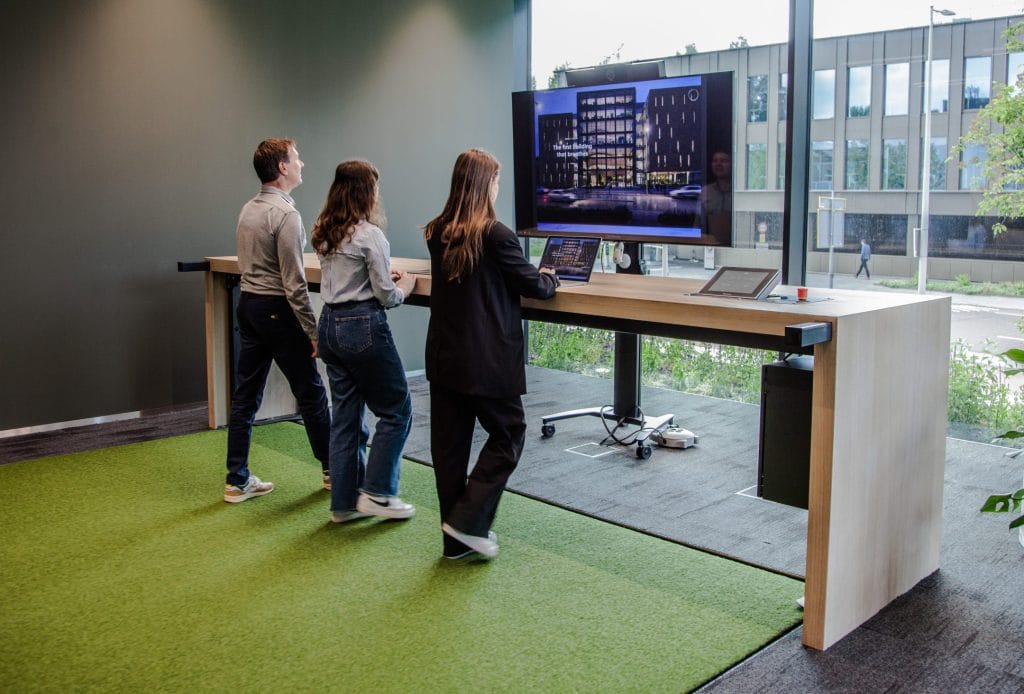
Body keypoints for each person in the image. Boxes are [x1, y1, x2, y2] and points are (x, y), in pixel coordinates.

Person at [423, 148, 559, 559]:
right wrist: (549, 278)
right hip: (485, 361)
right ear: (486, 185)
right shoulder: (496, 234)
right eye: (497, 180)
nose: (499, 187)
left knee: (449, 451)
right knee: (509, 434)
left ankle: (455, 542)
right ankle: (468, 521)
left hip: (445, 357)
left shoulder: (437, 231)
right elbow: (533, 286)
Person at [224, 139, 331, 503]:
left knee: (246, 397)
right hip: (276, 311)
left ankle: (237, 480)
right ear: (283, 167)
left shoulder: (249, 209)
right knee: (311, 392)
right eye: (297, 158)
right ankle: (335, 471)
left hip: (249, 305)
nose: (302, 163)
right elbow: (294, 284)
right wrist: (313, 331)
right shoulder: (286, 215)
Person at [312, 160, 417, 523]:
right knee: (397, 410)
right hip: (361, 326)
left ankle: (343, 505)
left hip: (329, 324)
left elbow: (348, 275)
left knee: (345, 418)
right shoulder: (370, 235)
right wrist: (405, 286)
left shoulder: (324, 231)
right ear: (367, 192)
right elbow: (386, 296)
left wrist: (381, 275)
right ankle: (378, 493)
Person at [700, 150, 732, 245]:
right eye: (715, 161)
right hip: (710, 247)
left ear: (732, 164)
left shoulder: (738, 192)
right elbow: (698, 225)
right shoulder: (705, 191)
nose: (718, 164)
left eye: (723, 161)